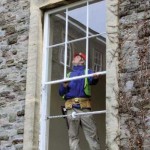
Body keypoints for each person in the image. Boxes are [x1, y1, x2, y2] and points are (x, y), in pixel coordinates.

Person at [59, 52, 101, 150]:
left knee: (92, 134)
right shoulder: (69, 74)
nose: (73, 59)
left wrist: (95, 78)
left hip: (84, 107)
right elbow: (61, 92)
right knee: (73, 136)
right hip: (71, 107)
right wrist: (64, 86)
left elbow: (92, 80)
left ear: (82, 61)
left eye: (76, 57)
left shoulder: (87, 71)